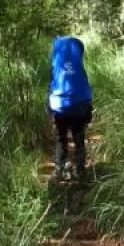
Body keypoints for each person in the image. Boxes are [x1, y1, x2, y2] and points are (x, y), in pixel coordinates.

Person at [48, 35, 93, 180]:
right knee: (79, 137)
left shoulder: (56, 64)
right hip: (80, 103)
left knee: (61, 138)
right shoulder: (79, 66)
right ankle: (80, 170)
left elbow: (52, 85)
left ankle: (59, 170)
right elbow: (85, 86)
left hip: (60, 106)